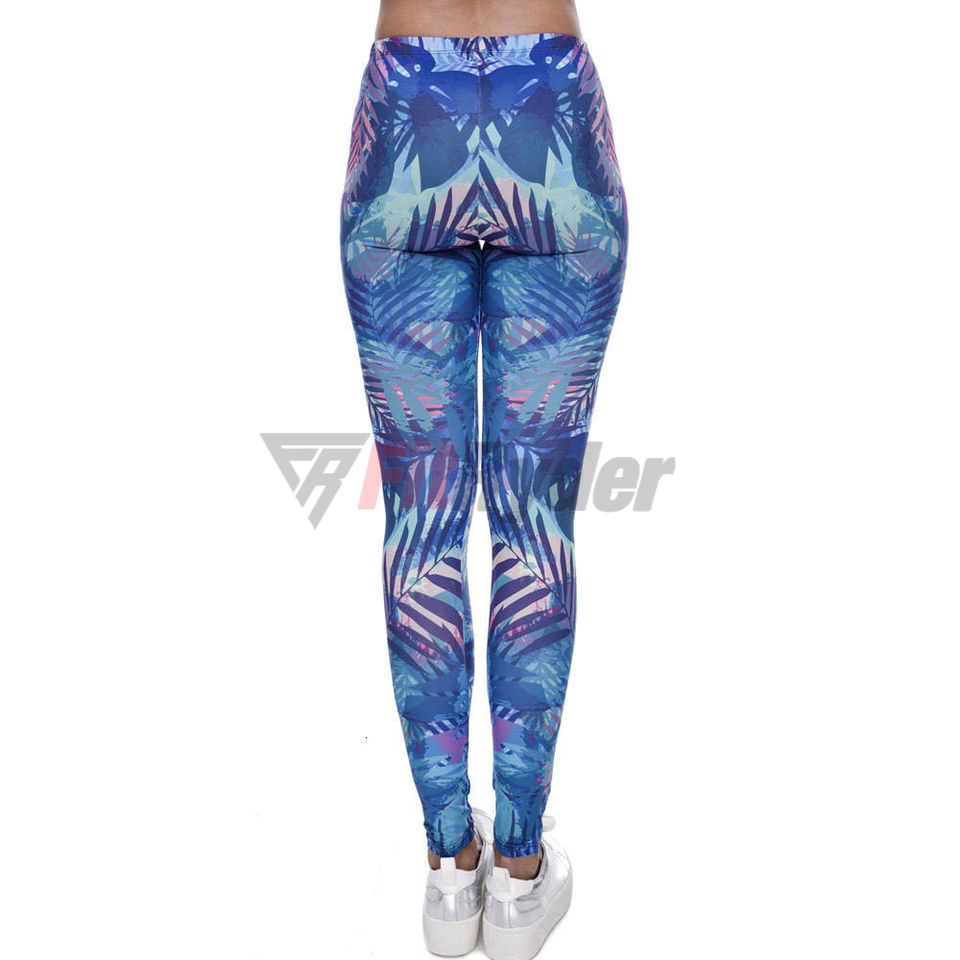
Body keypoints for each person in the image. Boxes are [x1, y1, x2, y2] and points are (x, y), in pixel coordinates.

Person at [340, 2, 627, 956]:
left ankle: (447, 865)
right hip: (546, 103)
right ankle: (518, 873)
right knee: (532, 522)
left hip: (408, 102)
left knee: (419, 524)